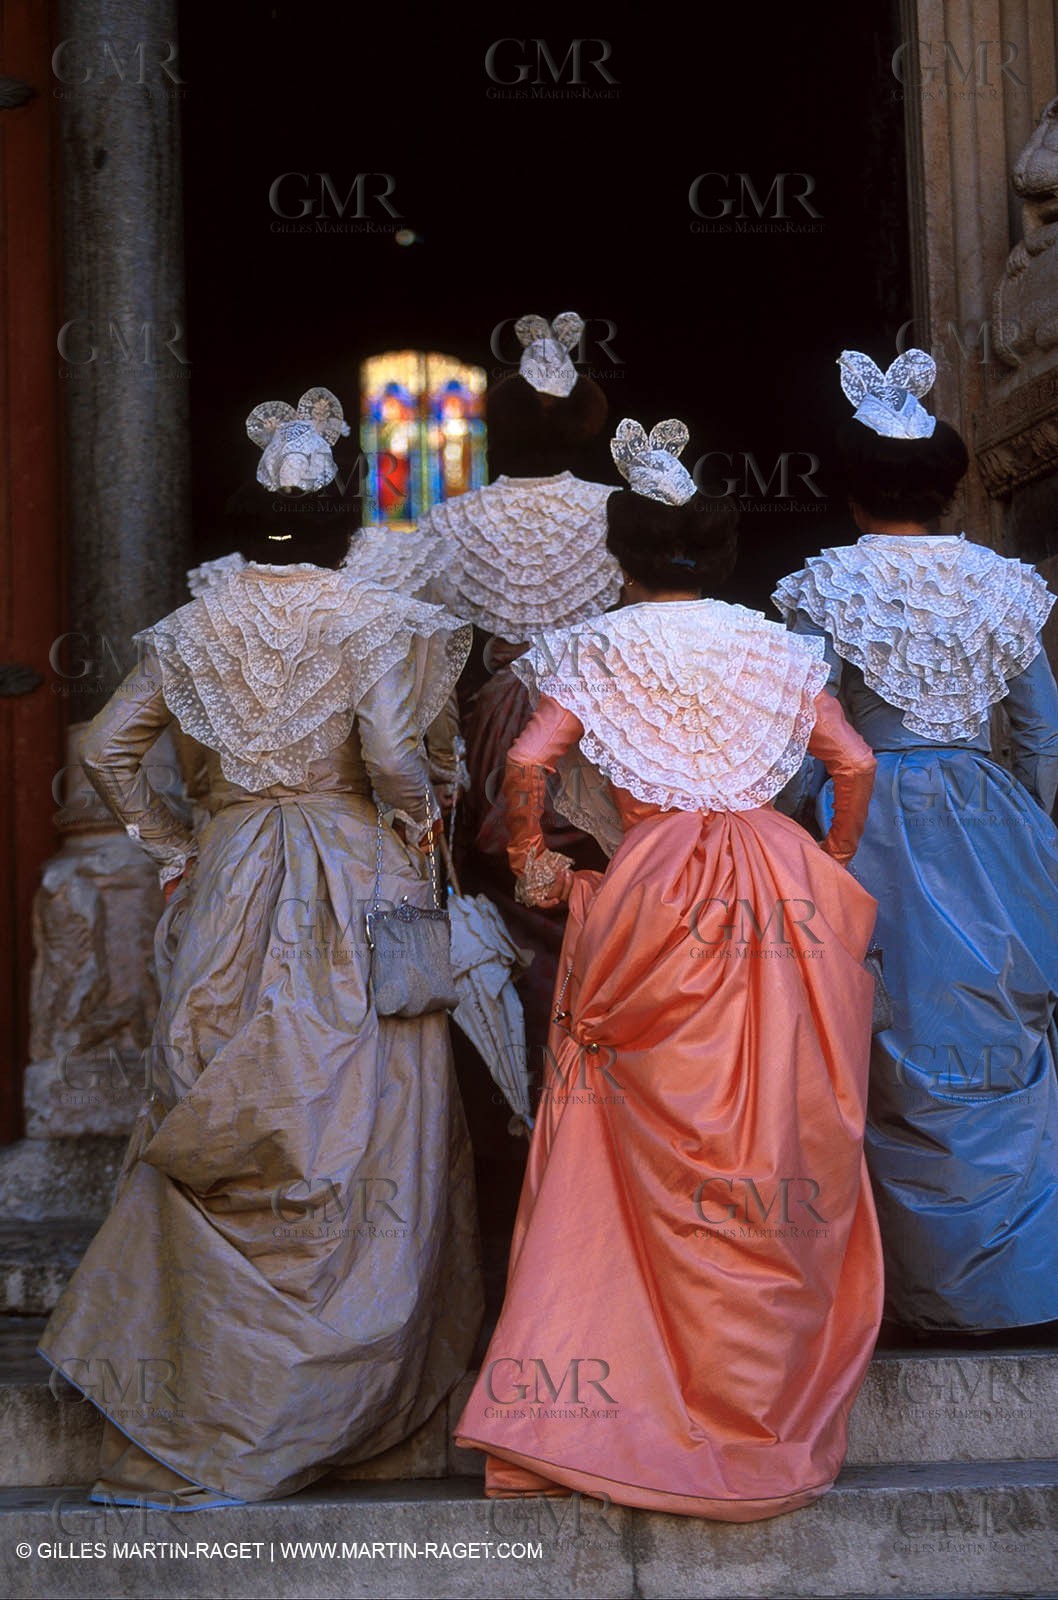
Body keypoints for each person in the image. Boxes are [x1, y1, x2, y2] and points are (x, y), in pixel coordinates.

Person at [39, 387, 483, 1506]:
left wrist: (179, 832)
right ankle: (354, 1407)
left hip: (233, 875)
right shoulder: (373, 619)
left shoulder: (194, 628)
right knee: (361, 1119)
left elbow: (103, 746)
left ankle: (215, 1410)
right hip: (349, 869)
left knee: (236, 1109)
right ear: (339, 532)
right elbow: (390, 755)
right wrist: (418, 812)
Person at [455, 418, 882, 1520]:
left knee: (625, 1132)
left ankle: (605, 1400)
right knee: (776, 1130)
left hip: (647, 893)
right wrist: (826, 860)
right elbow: (854, 759)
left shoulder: (593, 647)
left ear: (624, 551)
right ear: (723, 544)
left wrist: (533, 864)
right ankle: (753, 1394)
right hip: (779, 892)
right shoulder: (772, 645)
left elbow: (525, 761)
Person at [773, 346, 1058, 1333]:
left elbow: (805, 738)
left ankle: (904, 1293)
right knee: (997, 1036)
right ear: (946, 489)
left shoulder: (822, 587)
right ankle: (1018, 1288)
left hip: (871, 823)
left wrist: (806, 831)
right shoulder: (1004, 585)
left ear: (854, 492)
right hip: (988, 817)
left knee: (884, 1043)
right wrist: (1023, 826)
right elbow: (1038, 729)